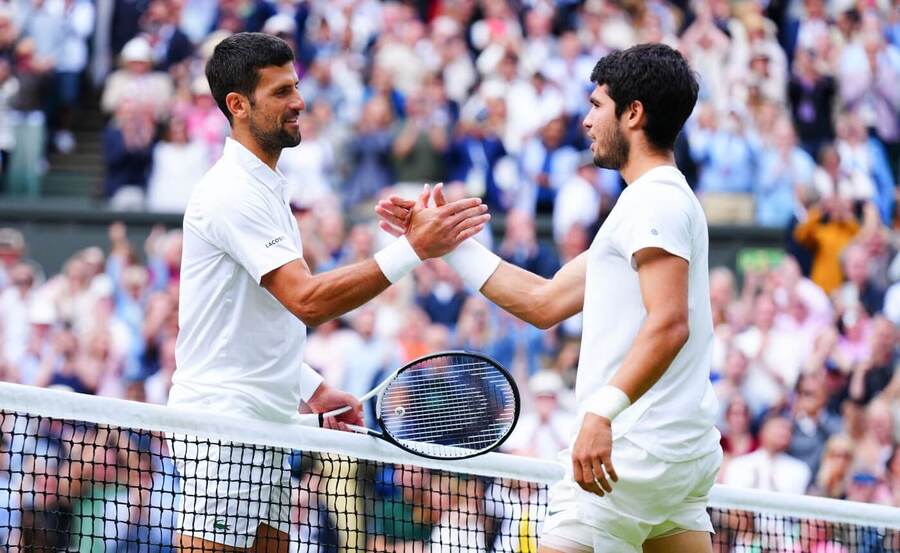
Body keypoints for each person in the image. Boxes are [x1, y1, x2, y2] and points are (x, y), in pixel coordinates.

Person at [379, 43, 721, 553]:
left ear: (633, 114)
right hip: (673, 459)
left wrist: (601, 413)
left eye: (596, 105)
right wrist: (447, 246)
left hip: (630, 455)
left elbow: (670, 323)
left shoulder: (655, 202)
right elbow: (543, 301)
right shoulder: (650, 203)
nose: (585, 121)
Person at [168, 32, 490, 553]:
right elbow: (308, 300)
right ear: (238, 105)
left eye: (295, 87)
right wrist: (414, 249)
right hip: (222, 428)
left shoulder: (266, 189)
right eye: (280, 92)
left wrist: (311, 388)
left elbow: (250, 320)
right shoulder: (231, 192)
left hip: (265, 422)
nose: (298, 101)